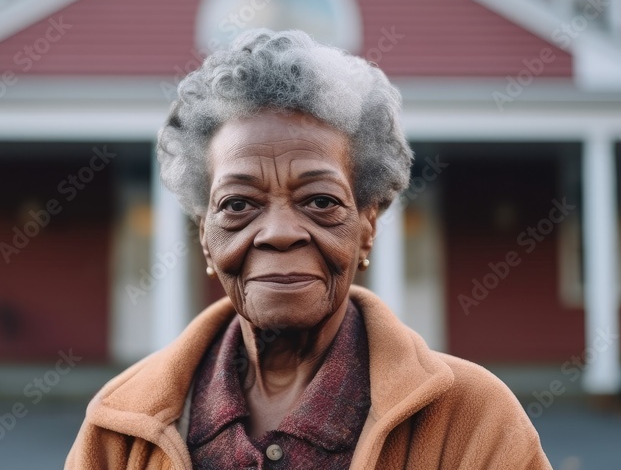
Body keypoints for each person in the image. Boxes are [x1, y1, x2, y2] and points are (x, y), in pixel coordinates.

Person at [64, 29, 553, 469]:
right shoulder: (120, 429)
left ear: (367, 225)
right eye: (238, 204)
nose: (278, 232)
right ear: (205, 237)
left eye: (320, 201)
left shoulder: (475, 422)